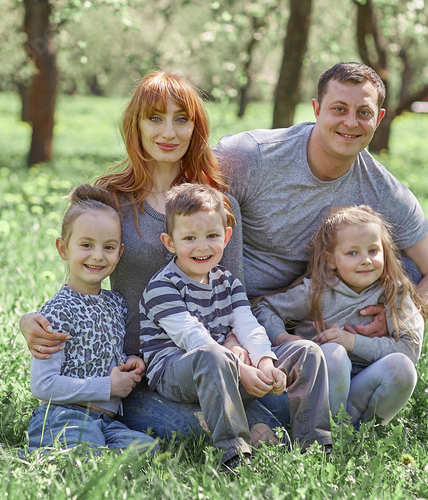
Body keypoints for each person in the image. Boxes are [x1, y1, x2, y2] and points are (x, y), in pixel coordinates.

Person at [21, 72, 288, 446]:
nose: (169, 132)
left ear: (195, 127)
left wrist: (235, 352)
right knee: (201, 431)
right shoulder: (111, 198)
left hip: (212, 364)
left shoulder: (217, 206)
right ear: (137, 125)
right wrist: (31, 320)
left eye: (181, 119)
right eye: (155, 118)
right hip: (138, 370)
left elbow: (233, 294)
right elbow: (85, 271)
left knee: (282, 412)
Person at [215, 61, 428, 428]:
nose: (350, 123)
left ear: (378, 119)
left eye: (363, 113)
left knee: (401, 270)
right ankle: (283, 410)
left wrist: (400, 315)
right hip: (239, 315)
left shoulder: (384, 191)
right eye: (339, 109)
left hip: (324, 324)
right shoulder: (252, 156)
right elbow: (182, 214)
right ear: (316, 109)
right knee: (174, 423)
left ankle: (321, 419)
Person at [140, 184, 332, 467]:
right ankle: (234, 454)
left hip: (224, 364)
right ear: (170, 242)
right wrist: (241, 369)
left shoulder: (227, 281)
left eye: (212, 236)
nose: (202, 246)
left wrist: (265, 362)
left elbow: (247, 325)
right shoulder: (162, 286)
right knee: (212, 355)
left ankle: (314, 446)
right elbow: (193, 337)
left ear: (227, 236)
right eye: (189, 238)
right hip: (176, 372)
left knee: (307, 351)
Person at [253, 206, 428, 426]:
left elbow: (410, 350)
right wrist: (282, 338)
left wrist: (353, 342)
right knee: (334, 353)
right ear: (331, 260)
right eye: (352, 253)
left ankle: (357, 433)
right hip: (319, 388)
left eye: (373, 250)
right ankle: (324, 432)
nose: (365, 260)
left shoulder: (395, 293)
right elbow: (264, 308)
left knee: (402, 368)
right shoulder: (318, 291)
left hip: (366, 383)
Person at [25, 185, 158, 454]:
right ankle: (36, 455)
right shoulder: (58, 311)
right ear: (63, 248)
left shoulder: (115, 303)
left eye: (108, 247)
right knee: (86, 458)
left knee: (148, 451)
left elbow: (101, 356)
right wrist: (108, 386)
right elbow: (42, 385)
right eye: (86, 245)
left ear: (119, 253)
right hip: (64, 415)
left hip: (105, 421)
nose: (98, 255)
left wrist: (128, 364)